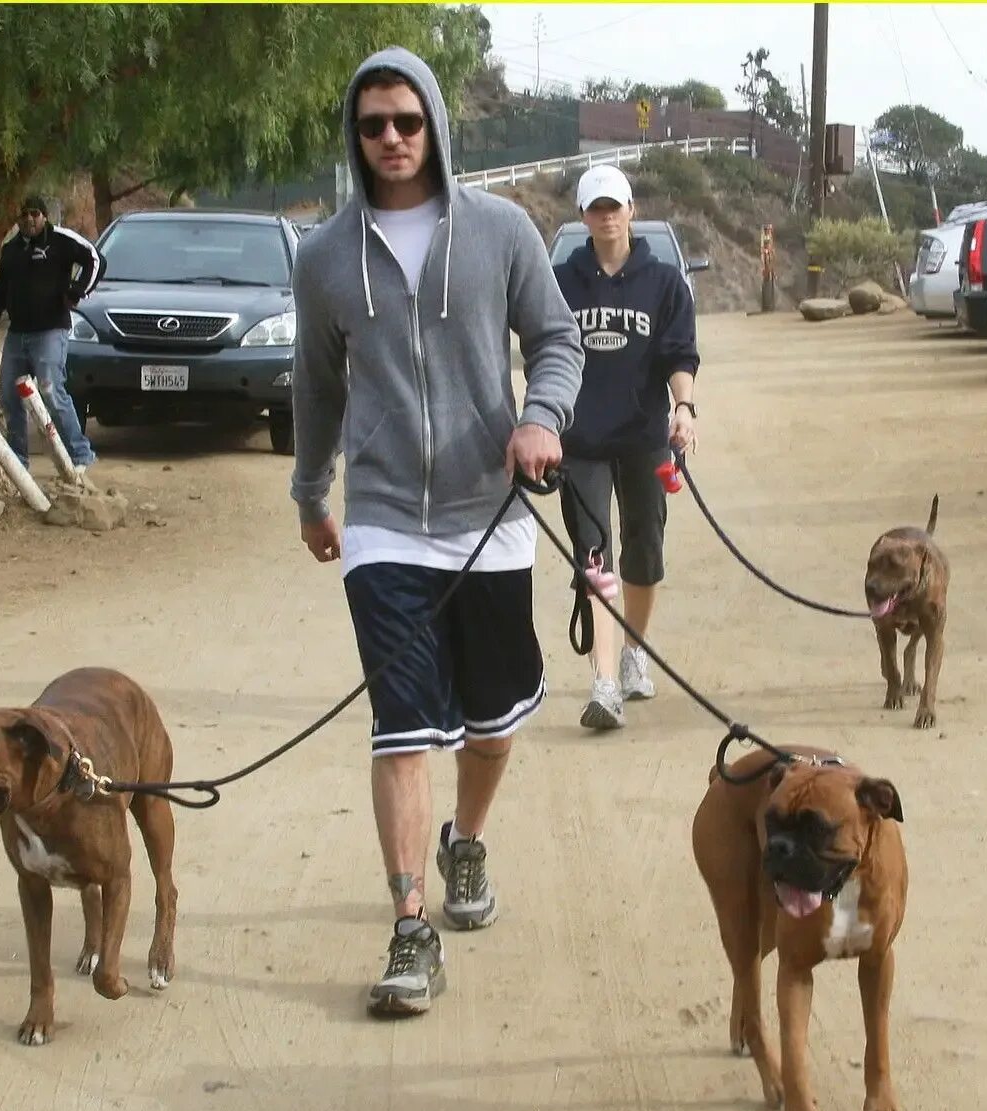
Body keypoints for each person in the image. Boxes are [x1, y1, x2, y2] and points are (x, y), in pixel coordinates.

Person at [290, 47, 583, 1017]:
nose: (391, 140)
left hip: (487, 513)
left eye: (406, 122)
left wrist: (540, 416)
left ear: (435, 128)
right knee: (403, 726)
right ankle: (411, 927)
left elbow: (555, 338)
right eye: (373, 124)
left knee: (492, 724)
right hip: (381, 521)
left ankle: (468, 842)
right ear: (355, 133)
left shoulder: (501, 231)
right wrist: (308, 492)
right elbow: (318, 385)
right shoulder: (325, 255)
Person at [552, 164, 700, 731]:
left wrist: (683, 411)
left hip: (644, 436)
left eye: (615, 206)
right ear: (583, 216)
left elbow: (680, 357)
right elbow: (544, 351)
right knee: (594, 556)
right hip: (581, 441)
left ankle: (635, 652)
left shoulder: (663, 282)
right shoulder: (562, 281)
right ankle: (605, 683)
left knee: (645, 552)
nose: (607, 216)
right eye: (596, 207)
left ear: (631, 210)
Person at [0, 194, 103, 473]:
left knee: (51, 391)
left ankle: (80, 454)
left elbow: (95, 260)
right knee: (9, 395)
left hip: (51, 332)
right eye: (24, 214)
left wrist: (78, 290)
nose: (29, 219)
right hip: (17, 335)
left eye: (35, 213)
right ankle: (18, 460)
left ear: (44, 216)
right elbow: (1, 288)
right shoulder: (11, 250)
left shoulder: (61, 240)